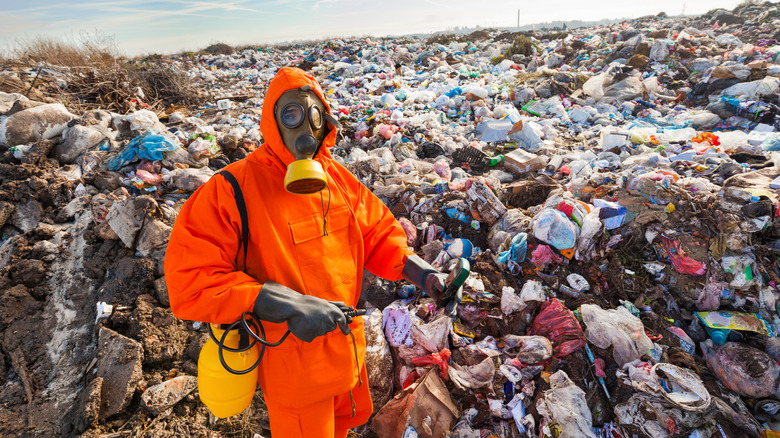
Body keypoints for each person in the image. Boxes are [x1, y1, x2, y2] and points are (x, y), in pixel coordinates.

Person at [165, 67, 461, 438]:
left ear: (326, 122)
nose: (302, 128)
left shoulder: (335, 178)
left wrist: (423, 274)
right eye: (290, 115)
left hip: (345, 352)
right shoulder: (232, 190)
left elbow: (376, 233)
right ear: (271, 122)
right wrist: (279, 302)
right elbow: (190, 280)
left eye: (313, 115)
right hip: (294, 370)